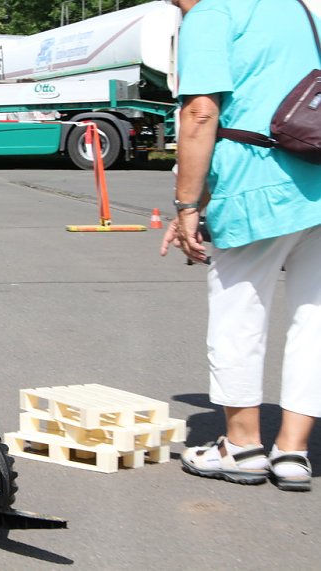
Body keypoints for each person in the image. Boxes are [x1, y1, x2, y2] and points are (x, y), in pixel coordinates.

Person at [161, 0, 321, 492]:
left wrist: (187, 204)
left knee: (239, 313)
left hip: (256, 188)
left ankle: (242, 446)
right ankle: (293, 452)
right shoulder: (297, 9)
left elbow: (201, 113)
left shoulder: (212, 15)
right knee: (314, 318)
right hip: (315, 180)